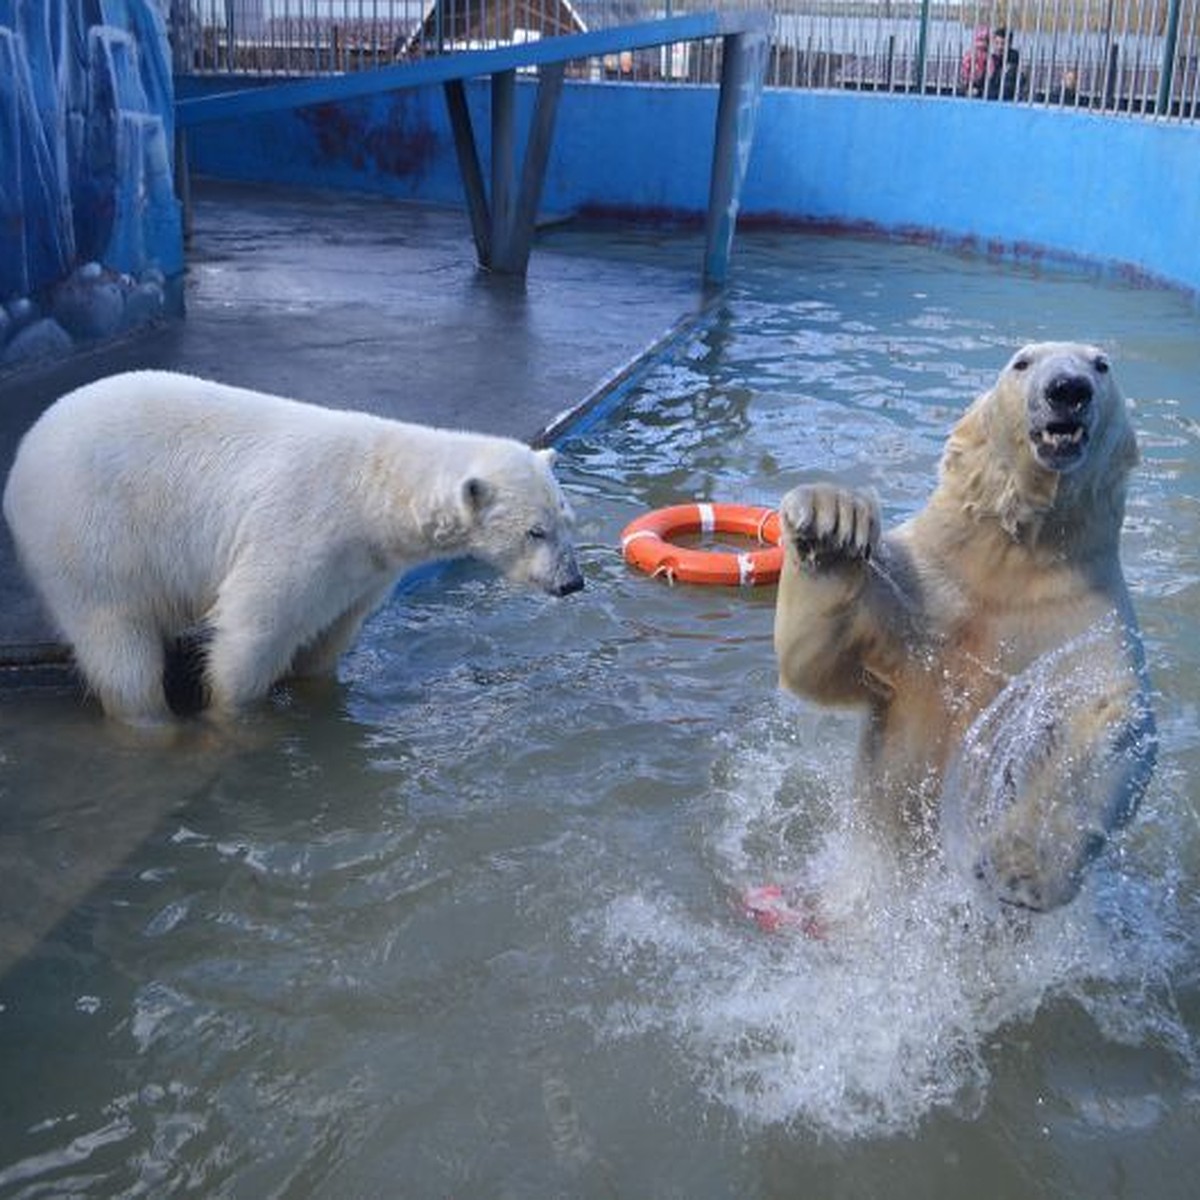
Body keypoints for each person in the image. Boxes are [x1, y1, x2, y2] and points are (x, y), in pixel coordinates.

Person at [985, 26, 1022, 100]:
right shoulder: (992, 60)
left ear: (1009, 44)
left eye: (1003, 43)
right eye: (997, 43)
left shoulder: (1012, 62)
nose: (999, 47)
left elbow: (1007, 91)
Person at [959, 27, 990, 97]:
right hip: (969, 84)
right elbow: (964, 71)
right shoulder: (969, 55)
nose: (982, 44)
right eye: (980, 40)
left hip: (983, 85)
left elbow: (991, 71)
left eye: (985, 41)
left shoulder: (988, 57)